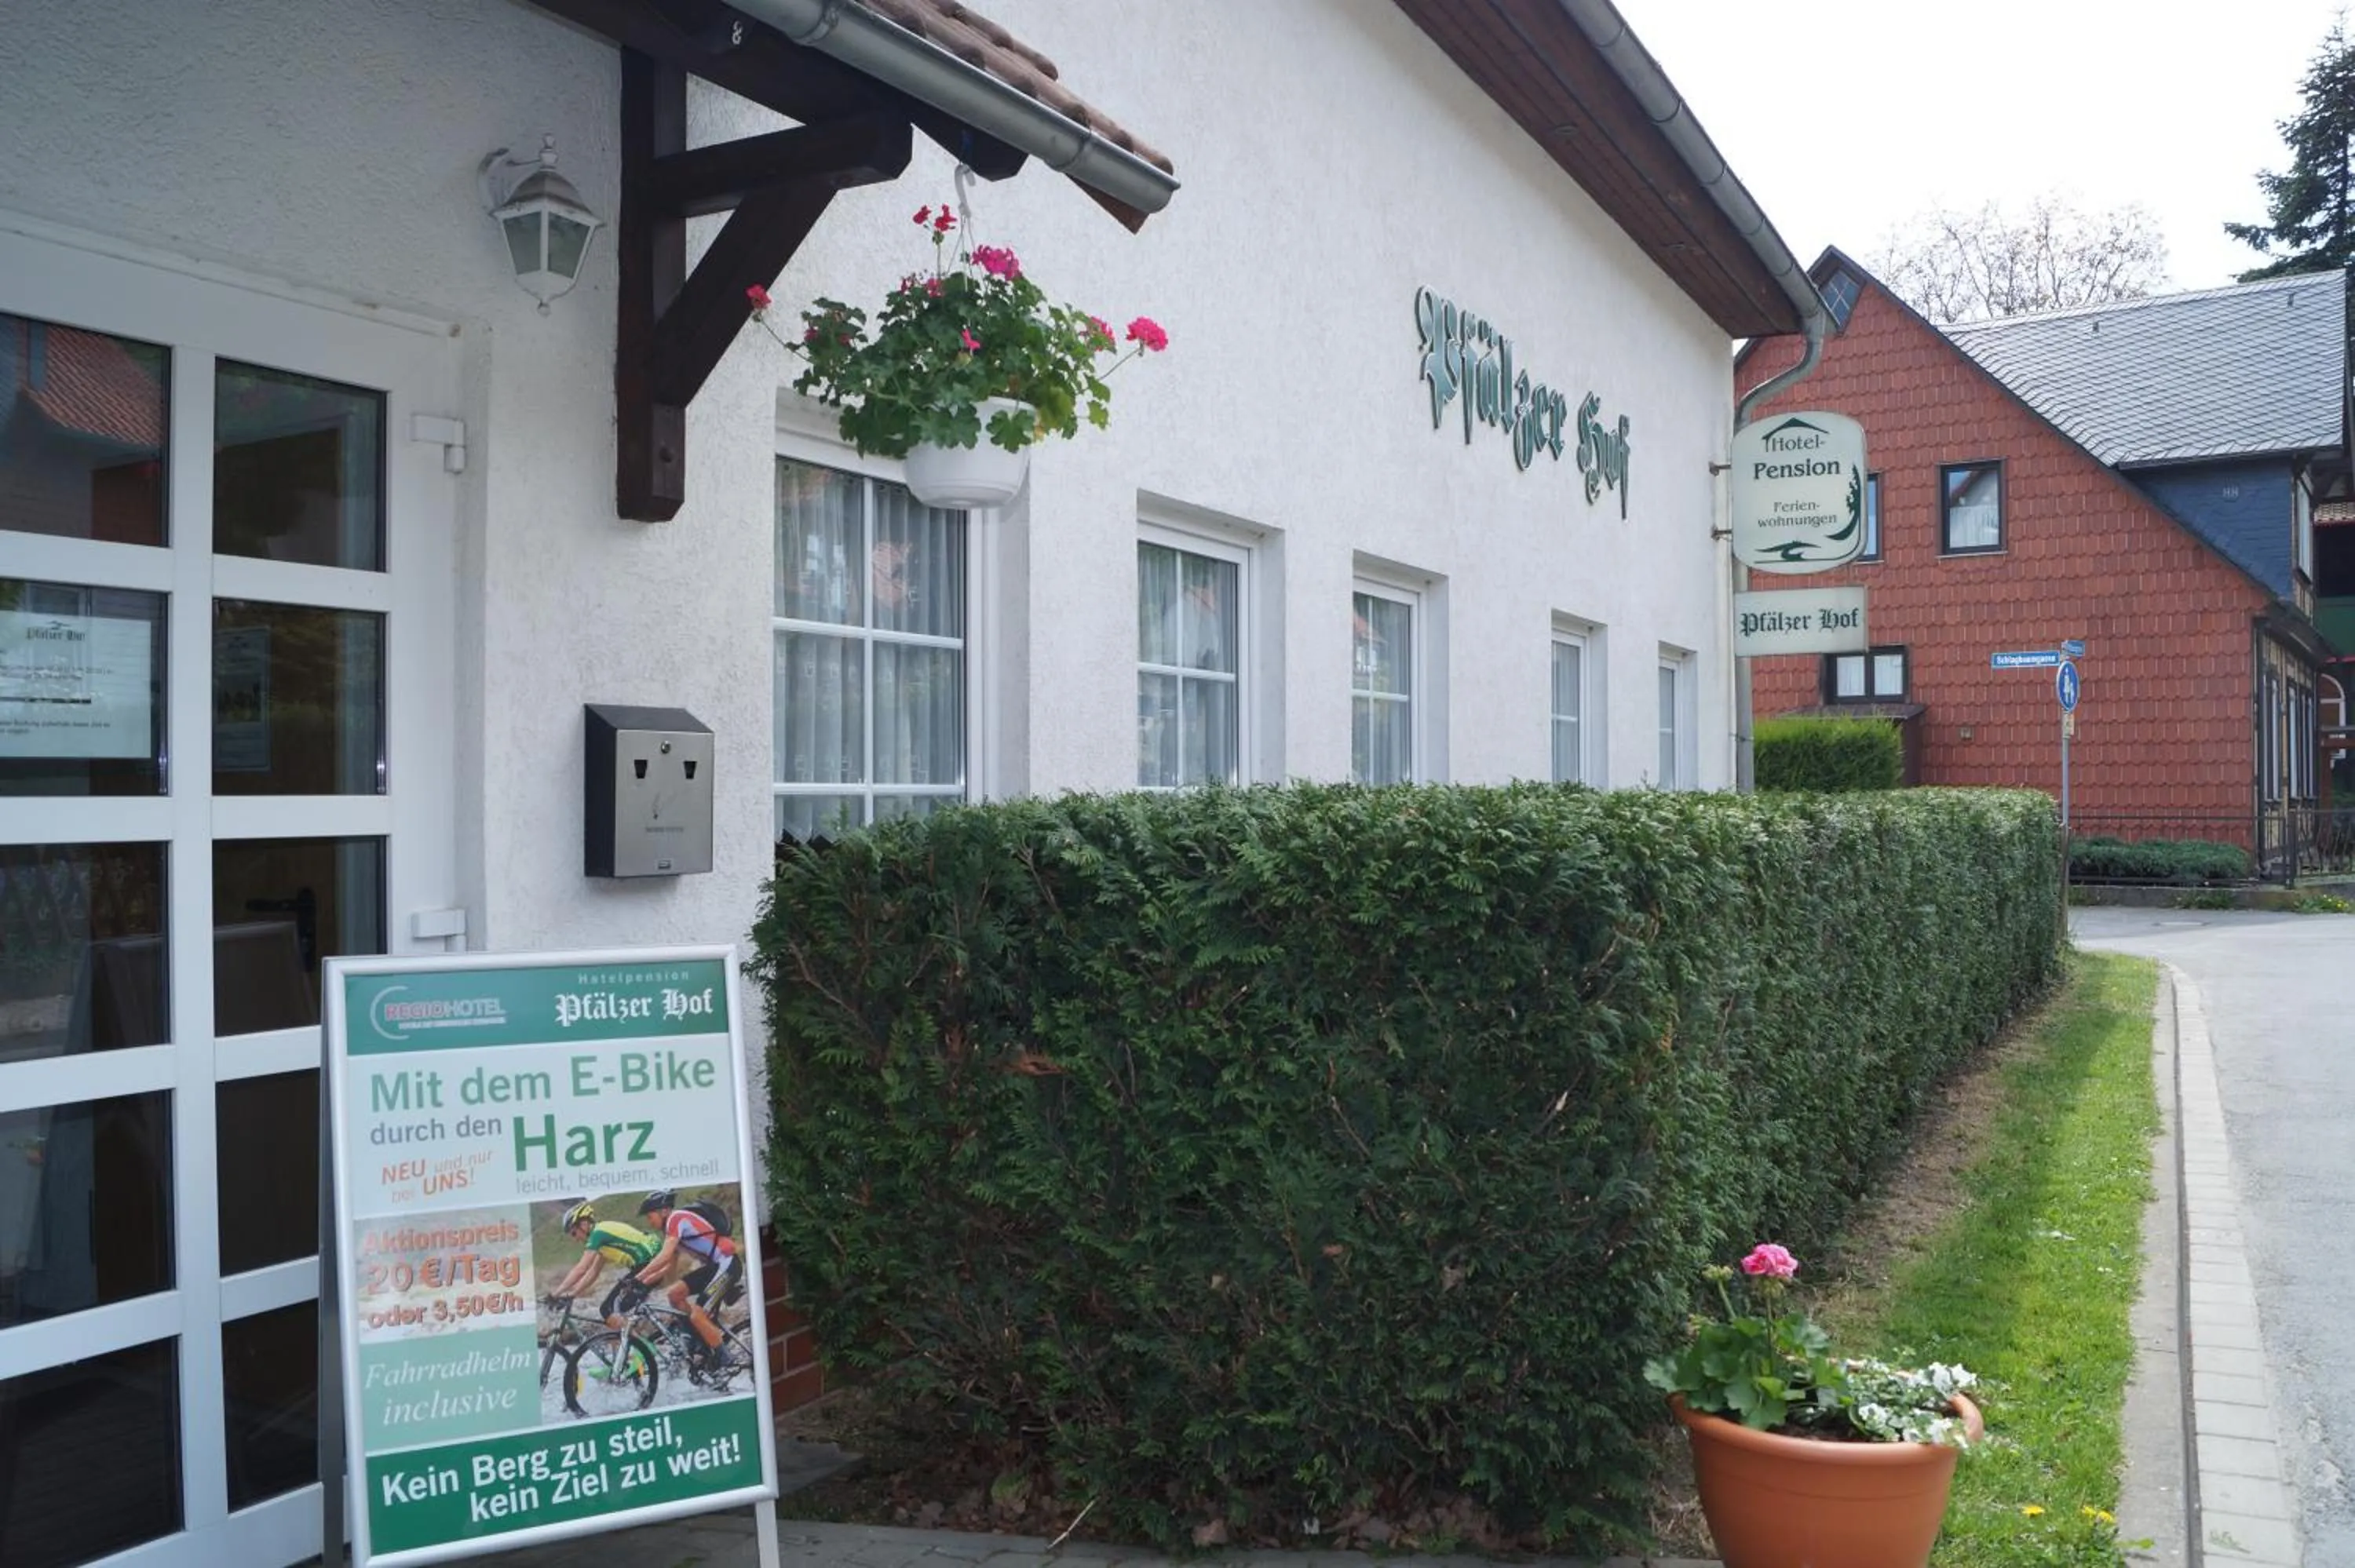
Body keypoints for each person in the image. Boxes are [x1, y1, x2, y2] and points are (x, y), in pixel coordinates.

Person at [634, 1189, 739, 1369]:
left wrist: (638, 1277)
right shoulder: (672, 1231)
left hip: (727, 1265)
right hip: (713, 1268)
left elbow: (665, 1256)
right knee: (675, 1294)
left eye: (650, 1216)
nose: (649, 1221)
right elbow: (668, 1267)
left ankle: (726, 1360)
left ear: (664, 1211)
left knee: (698, 1314)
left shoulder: (676, 1219)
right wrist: (644, 1283)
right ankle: (698, 1339)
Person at [545, 1200, 659, 1329]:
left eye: (574, 1233)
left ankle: (636, 1347)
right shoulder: (602, 1238)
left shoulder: (598, 1234)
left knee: (608, 1309)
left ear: (583, 1224)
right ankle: (631, 1346)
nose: (575, 1239)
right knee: (610, 1312)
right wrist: (573, 1294)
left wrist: (556, 1293)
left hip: (648, 1265)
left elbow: (581, 1269)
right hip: (647, 1264)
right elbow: (593, 1273)